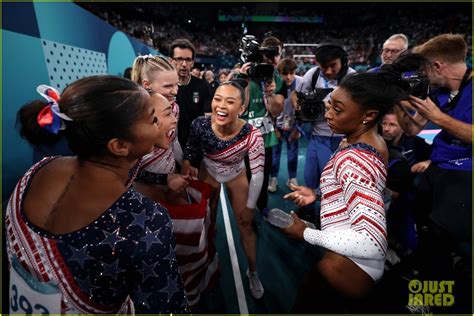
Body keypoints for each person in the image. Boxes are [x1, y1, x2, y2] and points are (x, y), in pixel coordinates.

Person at [7, 76, 189, 314]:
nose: (161, 123)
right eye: (153, 119)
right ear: (119, 146)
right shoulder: (146, 222)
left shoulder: (36, 172)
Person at [281, 56, 424, 312]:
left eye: (337, 109)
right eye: (329, 105)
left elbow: (371, 241)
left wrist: (305, 232)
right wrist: (319, 193)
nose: (327, 114)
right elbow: (365, 194)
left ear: (368, 115)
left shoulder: (353, 159)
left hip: (342, 275)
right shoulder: (373, 142)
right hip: (356, 269)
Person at [396, 34, 472, 312]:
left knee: (439, 233)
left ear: (438, 66)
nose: (423, 76)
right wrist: (401, 102)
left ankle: (439, 299)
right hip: (440, 169)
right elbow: (414, 130)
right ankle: (430, 279)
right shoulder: (440, 93)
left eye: (425, 69)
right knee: (422, 224)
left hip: (466, 172)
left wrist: (438, 118)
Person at [181, 81, 265, 299]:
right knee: (208, 222)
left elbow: (257, 174)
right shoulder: (200, 124)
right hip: (209, 172)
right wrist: (189, 162)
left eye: (230, 101)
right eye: (217, 99)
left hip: (237, 176)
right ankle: (207, 262)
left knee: (245, 225)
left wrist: (249, 207)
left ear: (242, 109)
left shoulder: (252, 135)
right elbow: (191, 148)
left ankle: (253, 271)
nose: (221, 106)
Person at [298, 42, 356, 221]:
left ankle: (331, 215)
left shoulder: (352, 78)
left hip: (341, 138)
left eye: (333, 66)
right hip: (316, 134)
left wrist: (332, 107)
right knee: (310, 176)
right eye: (324, 67)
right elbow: (298, 97)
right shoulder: (313, 74)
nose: (329, 71)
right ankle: (309, 209)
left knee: (332, 181)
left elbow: (358, 108)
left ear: (343, 62)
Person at [130, 54, 189, 197]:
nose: (175, 91)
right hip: (144, 189)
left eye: (177, 84)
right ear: (147, 85)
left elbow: (173, 141)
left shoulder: (174, 108)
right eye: (168, 86)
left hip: (172, 179)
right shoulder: (132, 117)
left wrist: (184, 165)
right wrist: (164, 179)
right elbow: (127, 169)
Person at [238, 35, 286, 212]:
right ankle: (243, 210)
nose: (272, 59)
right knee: (242, 177)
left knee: (262, 177)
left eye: (276, 55)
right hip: (241, 137)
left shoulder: (277, 79)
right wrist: (244, 79)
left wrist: (269, 93)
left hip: (264, 138)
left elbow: (275, 112)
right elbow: (237, 108)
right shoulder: (240, 74)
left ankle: (262, 207)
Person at [268, 58, 303, 192]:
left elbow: (303, 107)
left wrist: (298, 128)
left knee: (292, 153)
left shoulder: (301, 82)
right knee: (275, 154)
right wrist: (274, 128)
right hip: (277, 125)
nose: (288, 77)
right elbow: (269, 107)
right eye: (285, 73)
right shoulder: (273, 83)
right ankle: (273, 178)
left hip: (293, 125)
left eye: (291, 73)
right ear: (279, 72)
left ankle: (292, 178)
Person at [169, 39, 212, 148]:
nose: (184, 64)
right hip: (168, 146)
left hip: (196, 145)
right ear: (171, 61)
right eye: (179, 59)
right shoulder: (164, 87)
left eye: (188, 60)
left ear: (192, 62)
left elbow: (208, 118)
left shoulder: (203, 86)